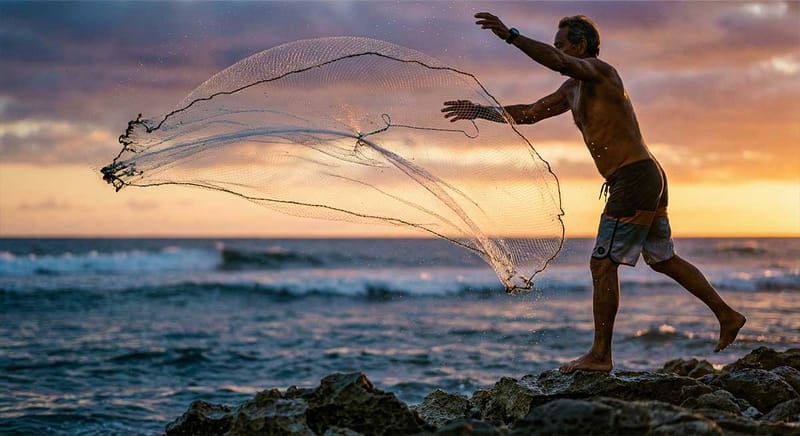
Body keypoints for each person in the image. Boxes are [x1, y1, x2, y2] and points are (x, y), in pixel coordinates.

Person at [442, 13, 746, 373]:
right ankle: (727, 315)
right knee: (663, 259)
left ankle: (601, 356)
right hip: (642, 177)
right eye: (557, 46)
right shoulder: (573, 89)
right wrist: (479, 111)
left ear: (580, 46)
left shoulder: (602, 73)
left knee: (602, 264)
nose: (557, 52)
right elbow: (528, 114)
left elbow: (556, 63)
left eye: (562, 45)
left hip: (634, 177)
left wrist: (511, 36)